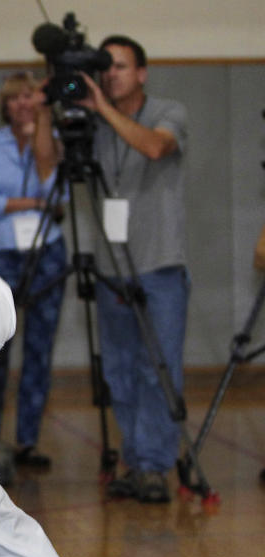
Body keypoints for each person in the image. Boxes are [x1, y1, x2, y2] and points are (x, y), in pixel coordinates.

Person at [76, 36, 188, 504]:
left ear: (142, 72)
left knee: (156, 370)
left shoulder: (169, 110)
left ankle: (155, 467)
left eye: (120, 66)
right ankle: (135, 458)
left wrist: (102, 109)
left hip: (159, 264)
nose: (111, 74)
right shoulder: (91, 122)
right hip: (110, 269)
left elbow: (156, 148)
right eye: (105, 67)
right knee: (120, 371)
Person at [0, 72, 66, 476]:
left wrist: (43, 136)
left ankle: (29, 440)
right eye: (15, 98)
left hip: (47, 250)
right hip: (1, 251)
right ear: (5, 104)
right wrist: (31, 202)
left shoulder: (54, 140)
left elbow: (60, 196)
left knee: (40, 351)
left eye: (30, 97)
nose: (23, 104)